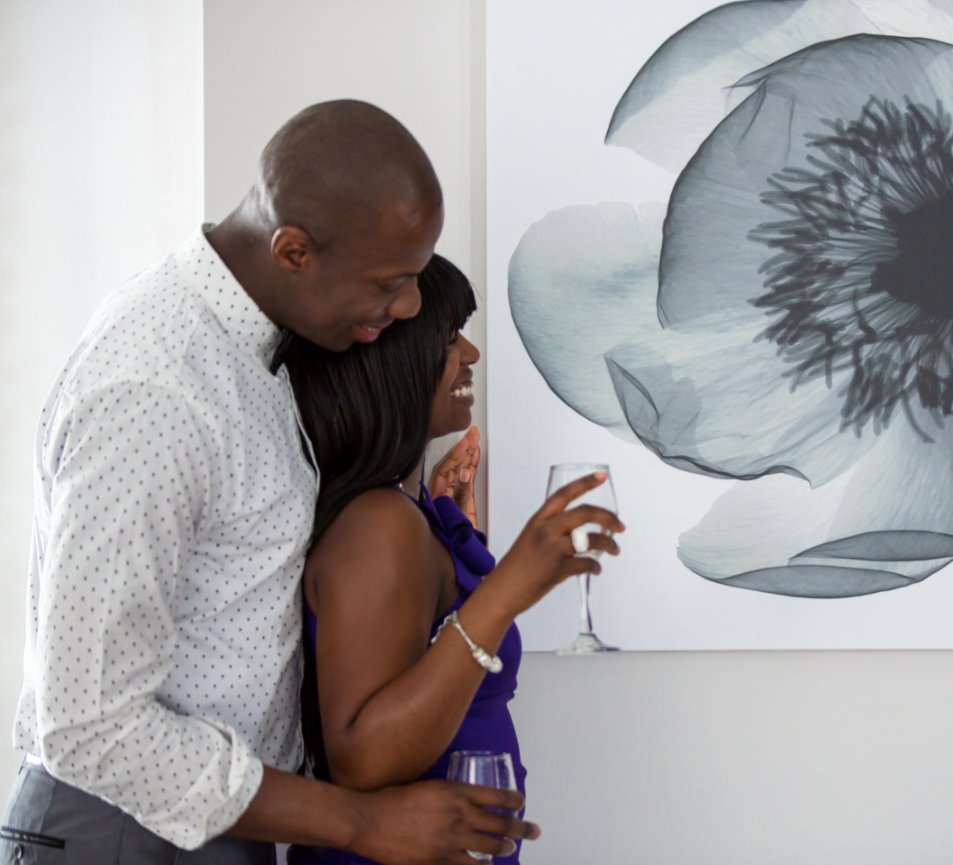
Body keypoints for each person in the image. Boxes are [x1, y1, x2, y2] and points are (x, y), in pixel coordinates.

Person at [4, 100, 539, 865]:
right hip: (125, 833)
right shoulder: (156, 383)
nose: (411, 307)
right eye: (392, 282)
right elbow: (89, 724)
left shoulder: (257, 352)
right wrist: (361, 822)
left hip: (218, 829)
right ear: (293, 250)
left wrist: (431, 542)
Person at [276, 254, 623, 865]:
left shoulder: (407, 514)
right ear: (389, 360)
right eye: (447, 336)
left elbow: (426, 664)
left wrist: (453, 531)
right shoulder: (376, 524)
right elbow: (362, 757)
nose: (470, 354)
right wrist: (508, 587)